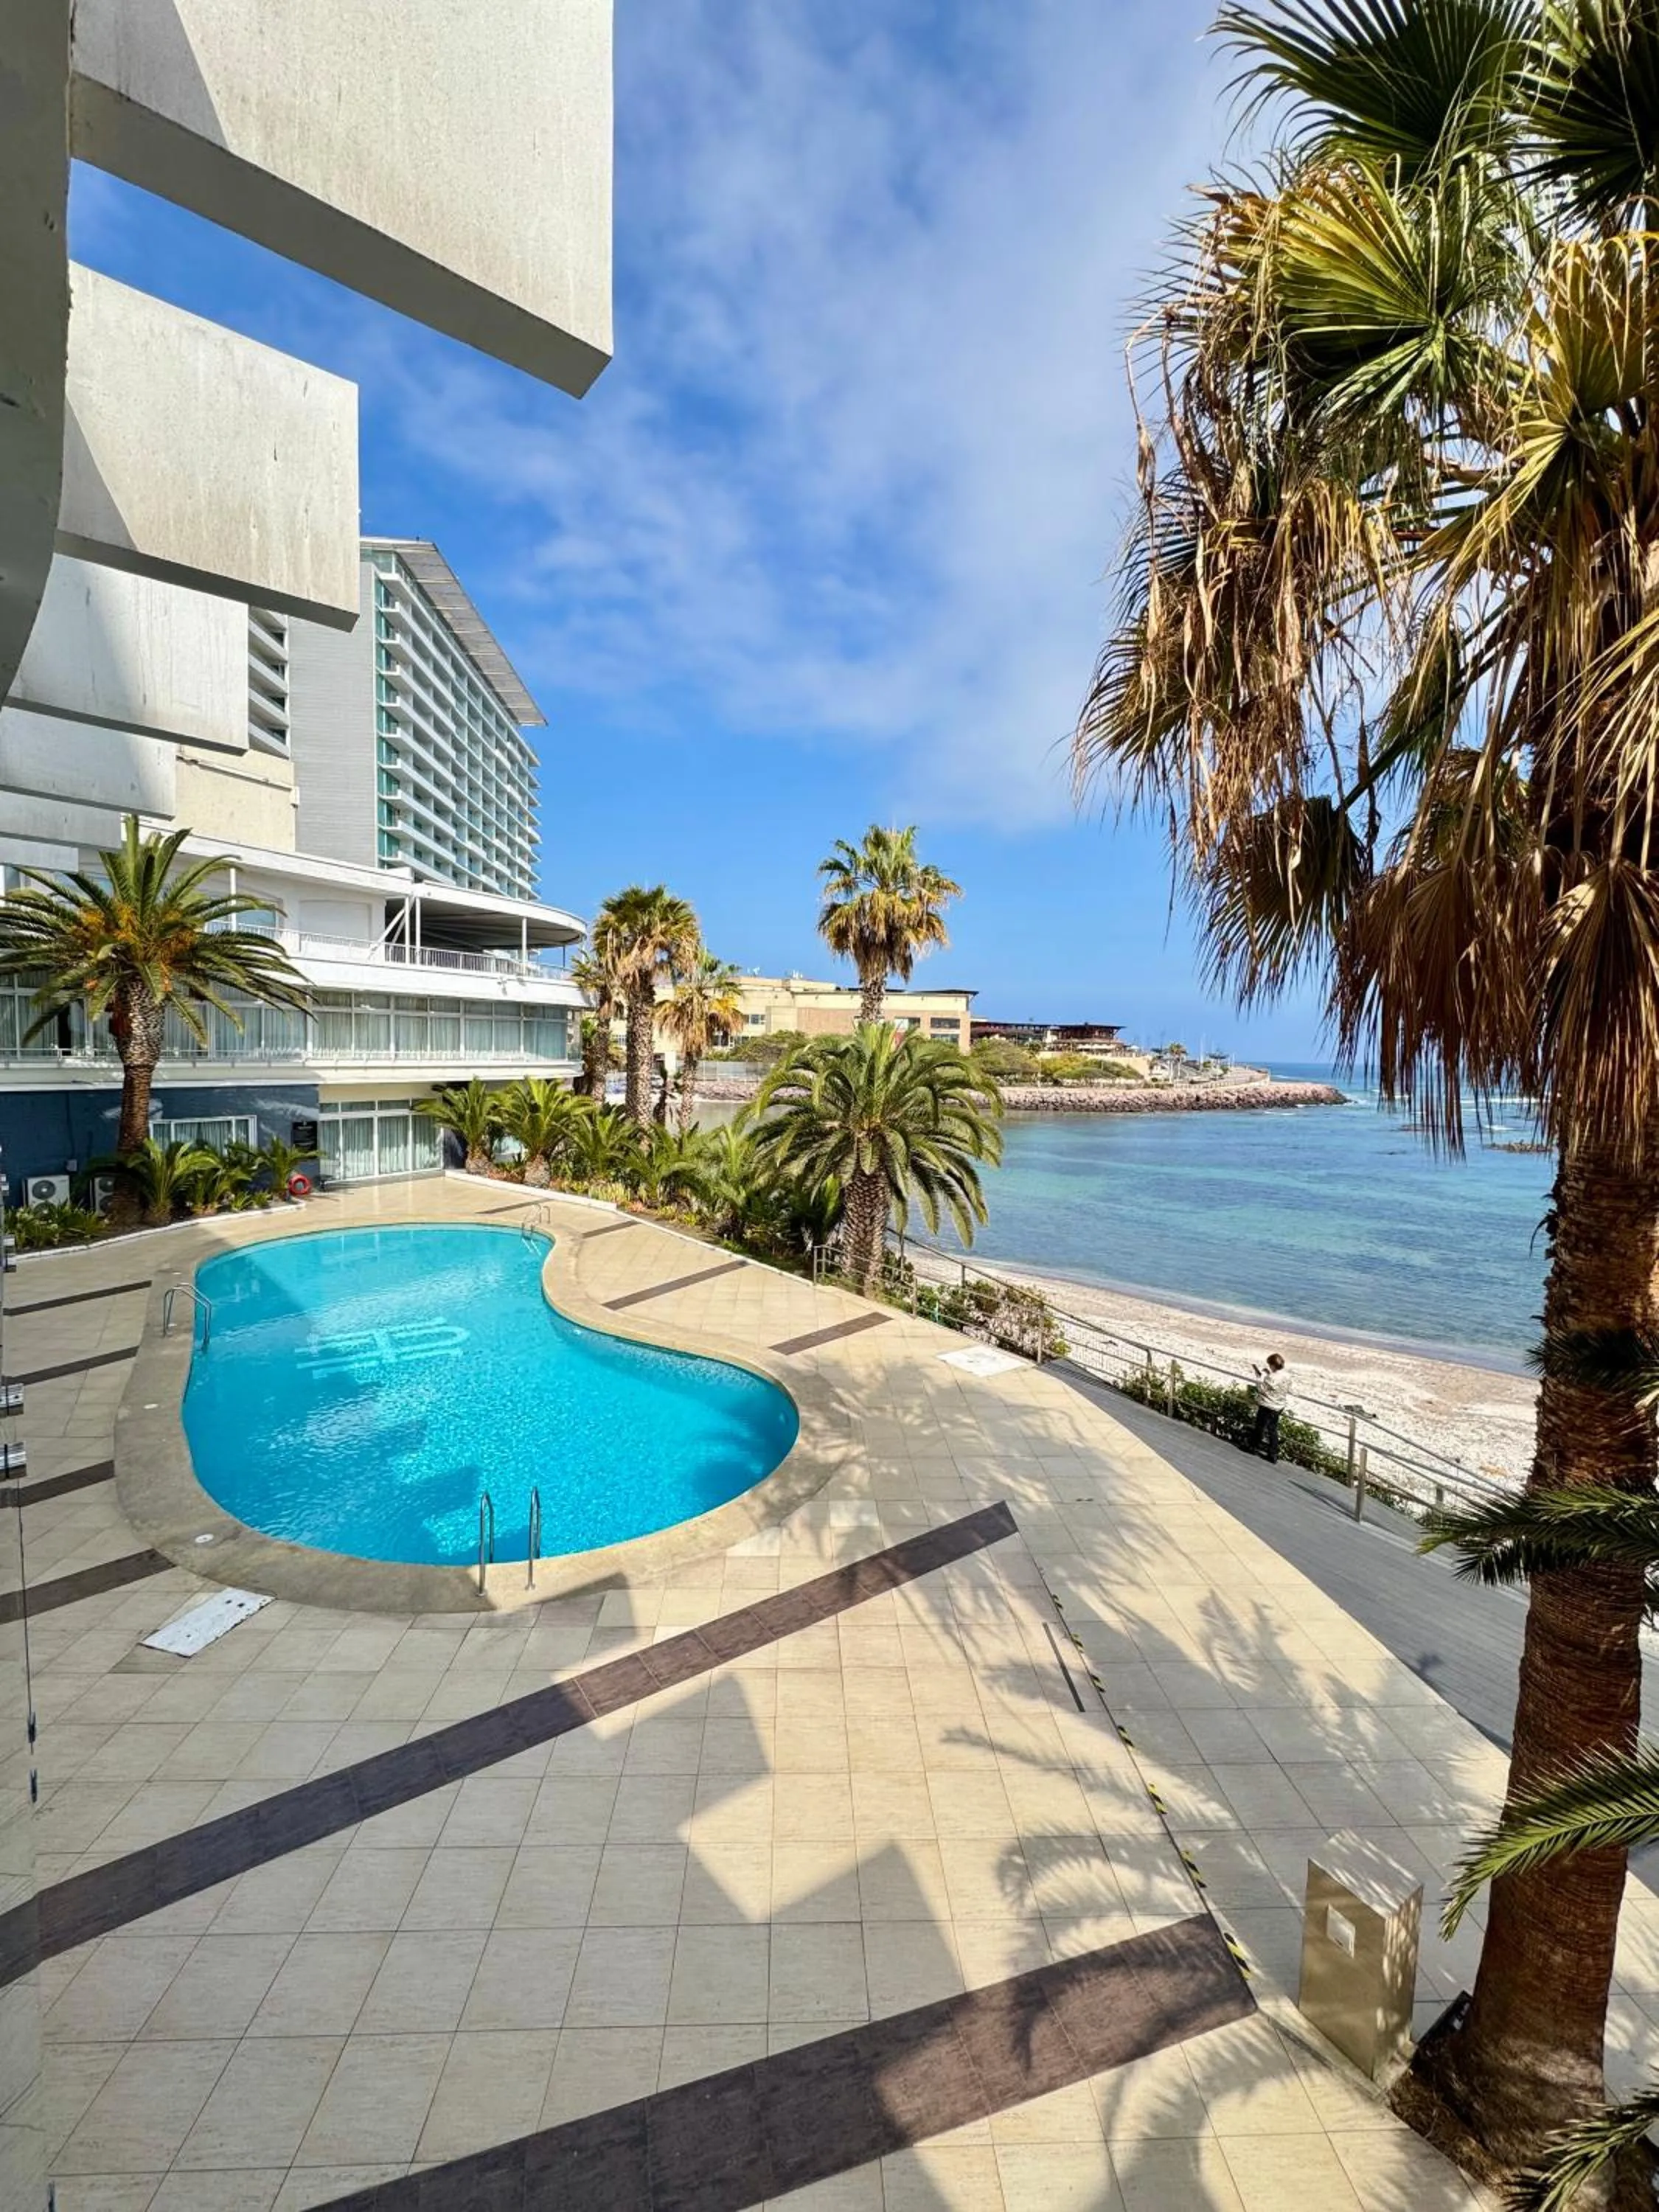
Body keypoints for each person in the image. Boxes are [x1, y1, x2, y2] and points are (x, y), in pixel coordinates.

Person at [1250, 1352, 1289, 1463]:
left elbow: (1262, 1389)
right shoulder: (1287, 1376)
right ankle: (1273, 1454)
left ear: (1273, 1365)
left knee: (1260, 1427)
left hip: (1268, 1405)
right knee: (1273, 1430)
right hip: (1279, 1405)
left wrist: (1261, 1377)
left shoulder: (1272, 1377)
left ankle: (1253, 1447)